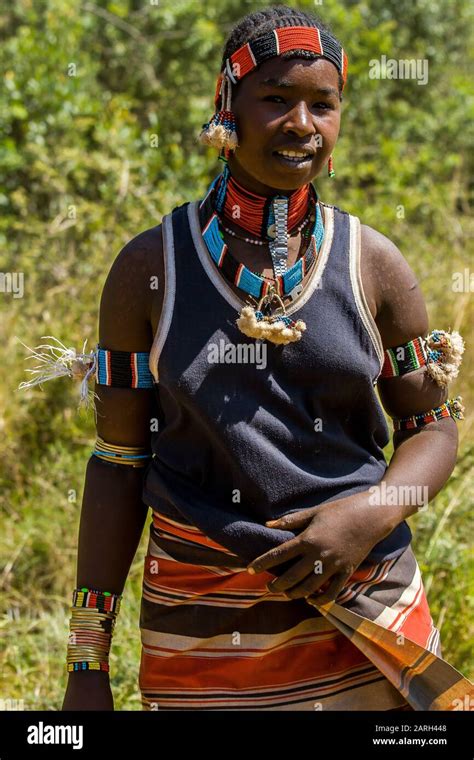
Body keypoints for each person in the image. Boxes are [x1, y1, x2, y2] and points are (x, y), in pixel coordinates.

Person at [51, 6, 471, 711]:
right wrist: (87, 663)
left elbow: (433, 427)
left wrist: (365, 516)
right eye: (276, 99)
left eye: (323, 104)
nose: (302, 124)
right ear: (226, 109)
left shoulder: (375, 265)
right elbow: (120, 464)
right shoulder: (152, 270)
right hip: (203, 626)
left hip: (366, 605)